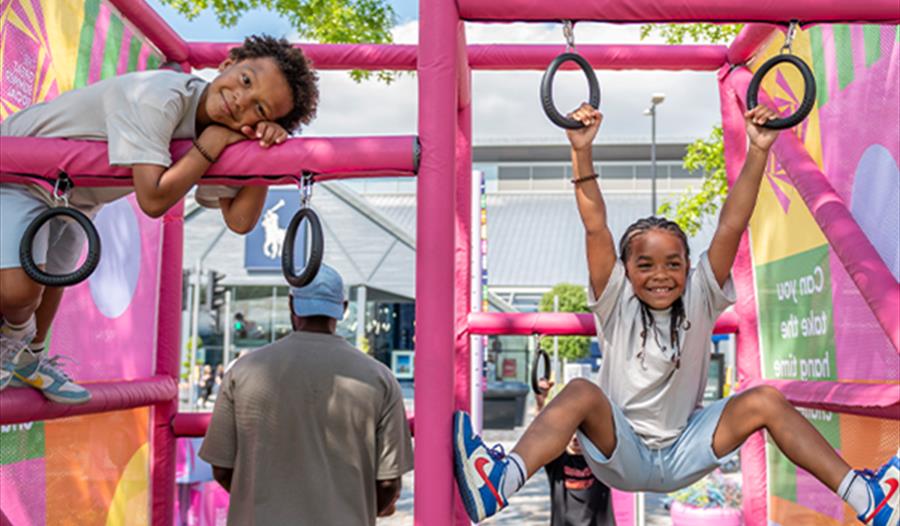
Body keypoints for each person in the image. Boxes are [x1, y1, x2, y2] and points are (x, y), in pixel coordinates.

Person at [453, 103, 900, 526]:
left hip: (685, 451)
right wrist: (580, 150)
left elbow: (731, 223)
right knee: (580, 392)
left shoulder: (702, 294)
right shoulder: (616, 301)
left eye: (673, 263)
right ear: (624, 272)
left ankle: (866, 498)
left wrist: (759, 150)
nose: (661, 275)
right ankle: (500, 481)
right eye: (644, 265)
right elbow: (595, 224)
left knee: (765, 400)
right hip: (622, 452)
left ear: (689, 266)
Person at [0, 35, 319, 404]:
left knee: (55, 279)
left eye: (260, 109)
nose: (241, 101)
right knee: (21, 292)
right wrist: (210, 145)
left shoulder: (227, 130)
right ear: (230, 62)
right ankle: (13, 341)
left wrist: (262, 154)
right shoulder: (160, 95)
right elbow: (153, 199)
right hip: (20, 174)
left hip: (74, 199)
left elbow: (241, 219)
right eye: (246, 80)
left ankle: (31, 356)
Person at [199, 265, 414, 525]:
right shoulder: (379, 378)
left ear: (292, 304)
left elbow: (221, 467)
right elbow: (389, 482)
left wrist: (262, 501)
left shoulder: (243, 371)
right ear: (343, 309)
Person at [536, 377, 615, 526]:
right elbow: (540, 435)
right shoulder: (556, 460)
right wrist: (540, 401)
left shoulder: (601, 458)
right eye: (572, 431)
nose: (575, 438)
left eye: (581, 432)